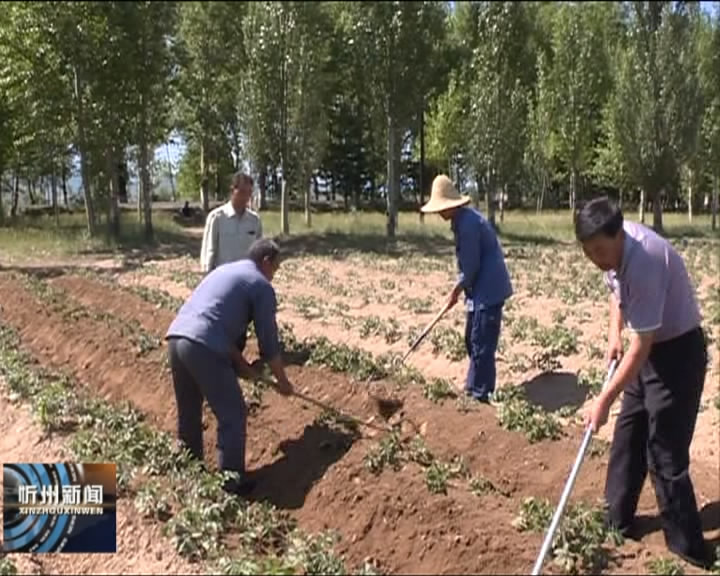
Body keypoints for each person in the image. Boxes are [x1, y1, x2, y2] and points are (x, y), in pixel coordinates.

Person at [575, 197, 713, 569]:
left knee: (664, 450)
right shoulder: (612, 253)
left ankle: (688, 551)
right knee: (629, 433)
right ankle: (616, 521)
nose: (596, 259)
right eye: (589, 253)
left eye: (600, 250)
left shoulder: (646, 260)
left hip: (677, 355)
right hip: (649, 348)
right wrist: (612, 334)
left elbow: (643, 346)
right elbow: (617, 292)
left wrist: (603, 399)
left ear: (619, 235)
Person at [165, 238, 294, 496]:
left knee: (189, 412)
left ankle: (191, 474)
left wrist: (242, 365)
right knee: (233, 414)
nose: (274, 276)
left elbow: (216, 322)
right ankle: (231, 485)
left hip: (177, 338)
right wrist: (282, 381)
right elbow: (268, 341)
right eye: (275, 269)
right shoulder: (260, 285)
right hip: (203, 345)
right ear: (266, 261)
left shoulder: (225, 271)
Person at [420, 175, 513, 403]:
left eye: (441, 208)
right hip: (478, 291)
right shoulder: (462, 221)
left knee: (481, 343)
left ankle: (480, 395)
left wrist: (456, 290)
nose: (439, 213)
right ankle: (473, 388)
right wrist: (461, 289)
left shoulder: (468, 225)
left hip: (488, 291)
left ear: (451, 205)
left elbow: (471, 267)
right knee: (472, 340)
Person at [200, 172, 263, 273]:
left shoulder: (254, 220)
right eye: (242, 192)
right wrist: (207, 275)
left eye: (249, 192)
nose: (246, 197)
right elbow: (209, 250)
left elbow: (259, 252)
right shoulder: (217, 217)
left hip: (246, 277)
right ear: (232, 190)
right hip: (222, 277)